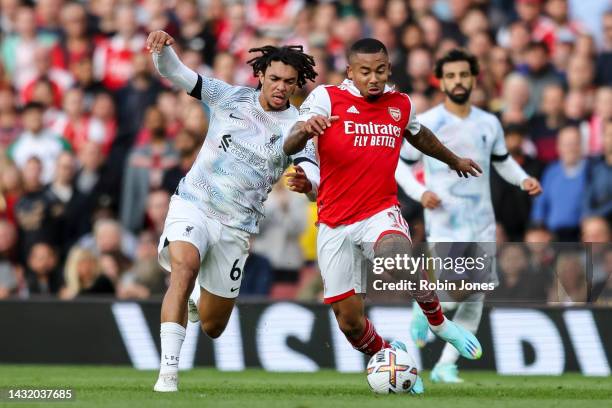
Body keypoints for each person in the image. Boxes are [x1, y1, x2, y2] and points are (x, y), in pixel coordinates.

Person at [283, 39, 484, 394]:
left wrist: (454, 160)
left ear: (388, 69)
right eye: (365, 72)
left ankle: (439, 323)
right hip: (333, 222)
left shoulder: (400, 104)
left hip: (380, 212)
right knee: (350, 325)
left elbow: (419, 136)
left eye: (380, 70)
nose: (373, 78)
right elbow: (290, 143)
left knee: (396, 258)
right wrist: (305, 128)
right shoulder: (326, 99)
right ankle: (393, 359)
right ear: (350, 72)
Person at [146, 30, 320, 392]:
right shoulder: (230, 97)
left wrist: (310, 187)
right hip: (194, 203)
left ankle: (198, 298)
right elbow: (178, 74)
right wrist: (161, 51)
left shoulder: (298, 128)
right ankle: (168, 374)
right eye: (274, 78)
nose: (280, 87)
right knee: (184, 268)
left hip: (237, 228)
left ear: (297, 84)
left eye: (289, 82)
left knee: (213, 325)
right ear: (260, 75)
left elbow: (313, 177)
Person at [395, 49, 542, 383]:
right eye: (451, 76)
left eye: (463, 75)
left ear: (474, 78)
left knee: (476, 294)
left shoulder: (489, 122)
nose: (458, 81)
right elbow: (400, 167)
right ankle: (427, 306)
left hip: (483, 221)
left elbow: (502, 160)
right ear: (441, 80)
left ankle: (446, 366)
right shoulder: (427, 123)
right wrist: (420, 194)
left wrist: (523, 179)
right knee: (460, 288)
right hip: (446, 222)